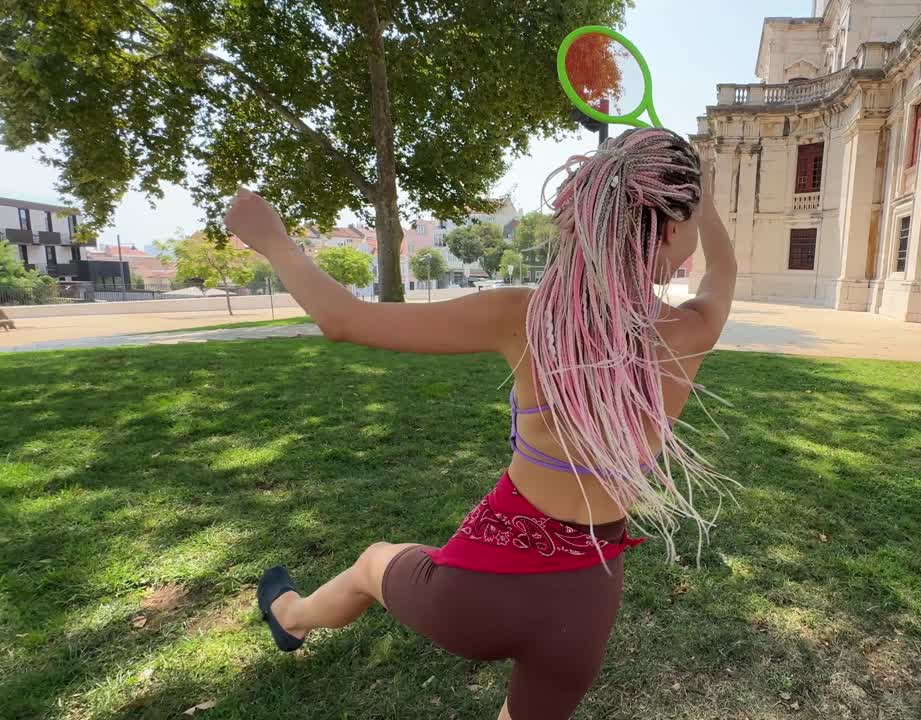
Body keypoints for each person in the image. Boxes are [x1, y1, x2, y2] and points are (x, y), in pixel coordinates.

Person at [223, 127, 736, 720]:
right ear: (671, 230)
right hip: (585, 605)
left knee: (372, 563)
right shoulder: (692, 331)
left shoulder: (523, 315)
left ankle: (290, 616)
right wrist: (707, 202)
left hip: (475, 591)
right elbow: (723, 271)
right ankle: (290, 616)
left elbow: (342, 318)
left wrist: (275, 242)